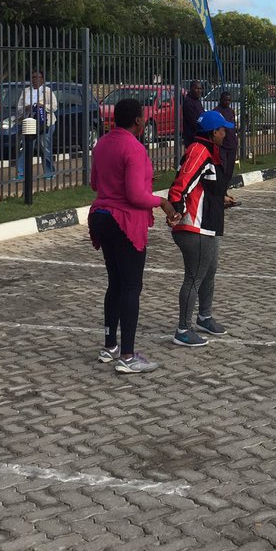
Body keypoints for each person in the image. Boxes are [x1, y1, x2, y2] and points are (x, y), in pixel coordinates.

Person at [88, 97, 177, 374]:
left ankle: (110, 346)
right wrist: (162, 202)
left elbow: (94, 183)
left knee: (115, 283)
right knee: (130, 287)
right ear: (138, 120)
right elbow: (136, 195)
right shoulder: (134, 148)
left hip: (101, 216)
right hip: (124, 221)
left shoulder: (102, 144)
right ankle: (128, 355)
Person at [168, 108, 236, 347]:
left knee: (209, 271)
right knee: (194, 277)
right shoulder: (199, 151)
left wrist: (221, 200)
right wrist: (176, 210)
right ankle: (182, 330)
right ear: (212, 132)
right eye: (222, 130)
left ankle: (204, 316)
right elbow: (181, 186)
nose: (225, 134)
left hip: (208, 225)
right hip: (193, 227)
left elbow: (204, 186)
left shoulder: (209, 152)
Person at [16, 70, 58, 181]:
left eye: (37, 77)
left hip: (45, 123)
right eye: (33, 77)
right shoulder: (26, 91)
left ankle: (49, 172)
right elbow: (19, 108)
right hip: (29, 123)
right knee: (25, 148)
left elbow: (54, 107)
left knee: (44, 147)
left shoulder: (48, 91)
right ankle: (21, 172)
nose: (35, 80)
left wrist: (42, 106)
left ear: (42, 79)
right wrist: (26, 107)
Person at [216, 89, 238, 187]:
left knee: (229, 171)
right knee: (223, 169)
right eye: (225, 100)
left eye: (229, 100)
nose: (227, 102)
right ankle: (221, 191)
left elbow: (233, 127)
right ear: (221, 100)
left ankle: (224, 190)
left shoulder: (231, 111)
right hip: (222, 146)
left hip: (232, 144)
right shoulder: (217, 112)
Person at [181, 79, 205, 150]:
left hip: (199, 136)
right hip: (192, 137)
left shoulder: (197, 101)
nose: (199, 91)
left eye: (200, 89)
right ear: (191, 88)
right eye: (197, 88)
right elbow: (193, 121)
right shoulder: (188, 102)